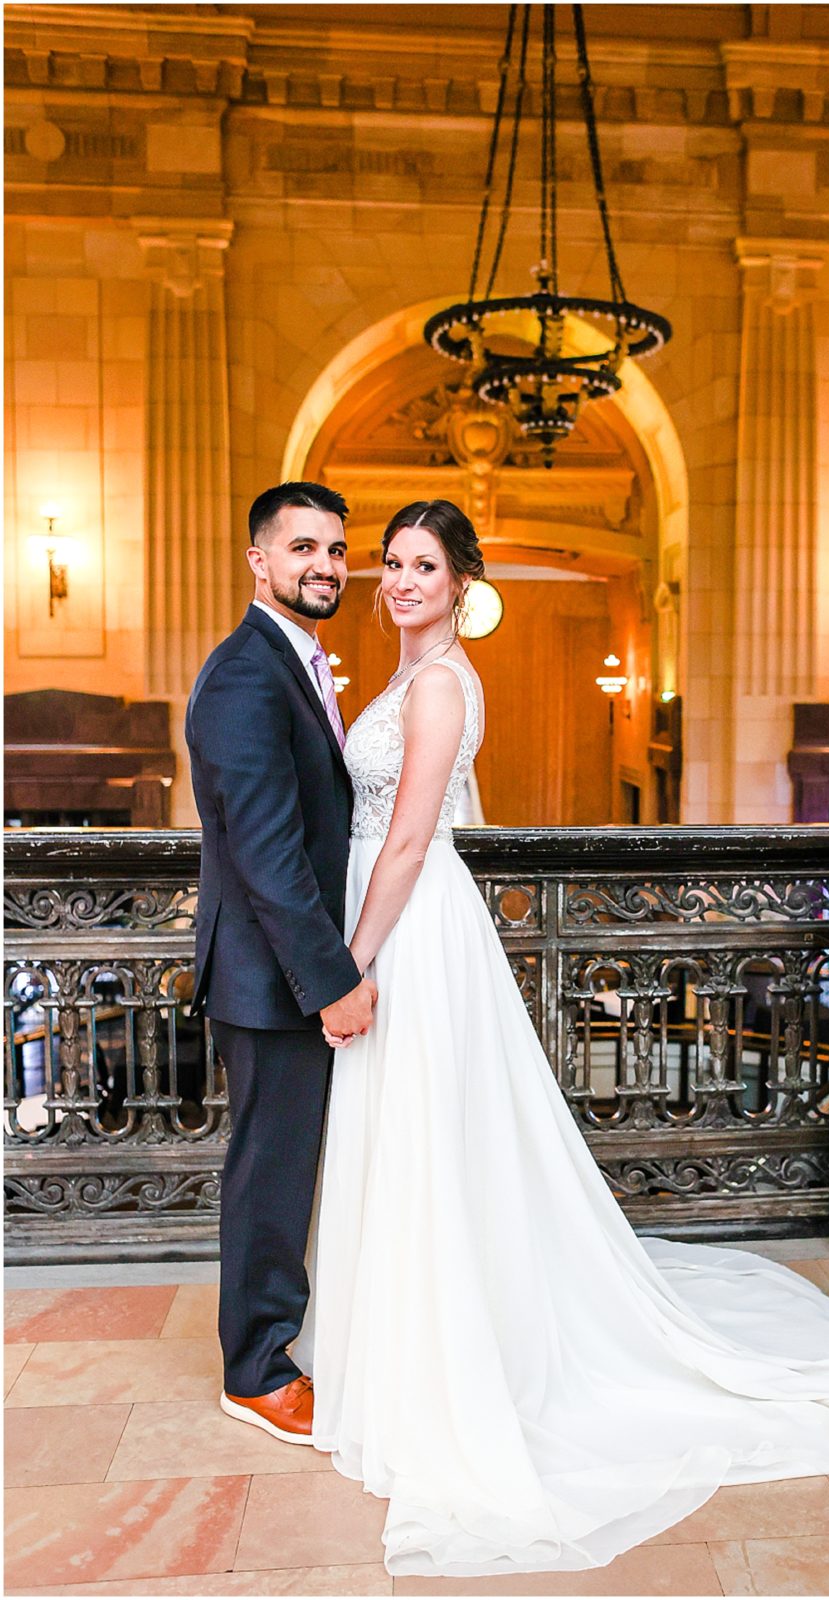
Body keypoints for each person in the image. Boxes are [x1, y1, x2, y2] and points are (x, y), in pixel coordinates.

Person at [292, 495, 829, 1579]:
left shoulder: (445, 682)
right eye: (389, 564)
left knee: (419, 1129)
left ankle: (438, 1354)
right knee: (400, 1134)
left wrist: (351, 961)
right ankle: (384, 1339)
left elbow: (413, 836)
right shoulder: (411, 681)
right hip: (402, 908)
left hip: (404, 924)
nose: (400, 581)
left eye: (422, 565)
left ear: (461, 582)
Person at [186, 481, 376, 1445]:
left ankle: (286, 1341)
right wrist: (334, 982)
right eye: (303, 548)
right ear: (258, 560)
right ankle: (255, 1370)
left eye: (336, 550)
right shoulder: (242, 675)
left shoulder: (296, 661)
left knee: (297, 1165)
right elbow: (265, 853)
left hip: (291, 968)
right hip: (272, 978)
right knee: (270, 1171)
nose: (324, 565)